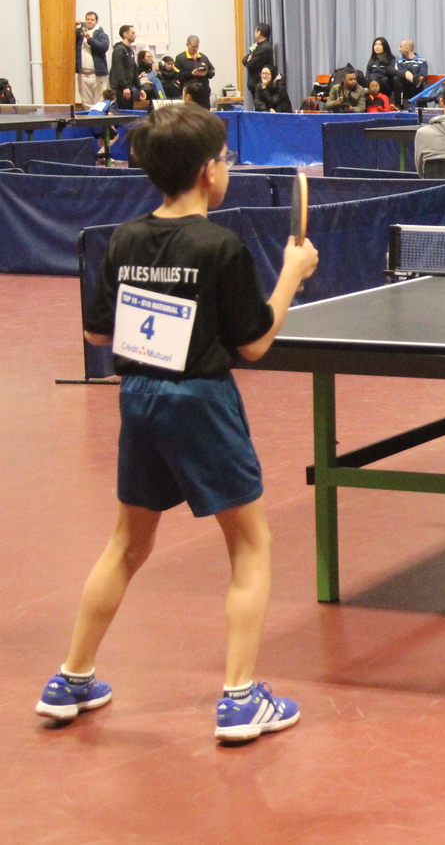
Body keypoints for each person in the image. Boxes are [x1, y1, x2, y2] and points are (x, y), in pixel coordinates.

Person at [39, 103, 320, 741]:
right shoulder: (221, 246)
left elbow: (96, 332)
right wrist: (290, 276)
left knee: (127, 544)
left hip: (139, 397)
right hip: (200, 403)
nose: (227, 167)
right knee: (250, 545)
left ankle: (71, 679)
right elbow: (255, 344)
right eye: (224, 158)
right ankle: (241, 700)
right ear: (206, 173)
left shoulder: (125, 237)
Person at [76, 12, 111, 106]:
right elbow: (68, 35)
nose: (90, 21)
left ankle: (98, 116)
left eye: (92, 20)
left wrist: (90, 39)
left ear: (96, 21)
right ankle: (88, 115)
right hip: (83, 73)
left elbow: (103, 47)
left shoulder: (102, 35)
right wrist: (74, 24)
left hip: (97, 74)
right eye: (88, 19)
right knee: (86, 101)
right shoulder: (79, 34)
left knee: (100, 101)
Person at [109, 25, 144, 108]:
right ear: (125, 34)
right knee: (122, 112)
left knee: (130, 111)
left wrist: (140, 88)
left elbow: (134, 70)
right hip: (121, 89)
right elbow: (119, 69)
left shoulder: (130, 50)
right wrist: (124, 87)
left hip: (129, 87)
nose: (135, 35)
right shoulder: (119, 49)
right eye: (132, 33)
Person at [174, 37, 214, 109]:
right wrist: (192, 74)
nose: (195, 49)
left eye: (197, 46)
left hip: (204, 93)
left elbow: (212, 72)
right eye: (193, 47)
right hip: (189, 94)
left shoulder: (203, 57)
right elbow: (177, 76)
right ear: (187, 45)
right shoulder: (180, 58)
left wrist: (206, 73)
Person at [242, 24, 275, 95]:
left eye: (255, 31)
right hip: (256, 86)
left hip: (261, 86)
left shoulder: (265, 48)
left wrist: (249, 60)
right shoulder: (257, 46)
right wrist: (248, 59)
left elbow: (249, 64)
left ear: (259, 32)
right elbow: (244, 60)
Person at [393, 40, 428, 107]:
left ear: (407, 48)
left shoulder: (422, 61)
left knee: (418, 80)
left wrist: (413, 78)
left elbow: (422, 76)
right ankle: (399, 105)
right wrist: (405, 73)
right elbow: (397, 72)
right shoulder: (399, 62)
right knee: (396, 79)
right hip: (404, 88)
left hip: (416, 88)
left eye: (401, 47)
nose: (399, 49)